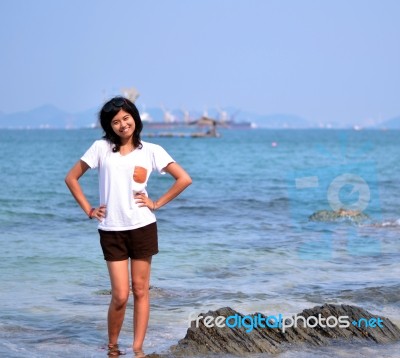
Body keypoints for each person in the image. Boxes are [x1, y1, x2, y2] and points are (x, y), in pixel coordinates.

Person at [65, 96, 192, 357]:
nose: (123, 124)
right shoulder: (100, 148)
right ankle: (113, 347)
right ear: (109, 126)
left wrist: (156, 203)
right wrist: (89, 209)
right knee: (121, 295)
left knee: (142, 290)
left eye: (126, 118)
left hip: (143, 226)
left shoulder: (151, 150)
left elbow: (184, 179)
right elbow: (71, 178)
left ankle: (137, 349)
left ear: (134, 117)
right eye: (115, 121)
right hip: (111, 229)